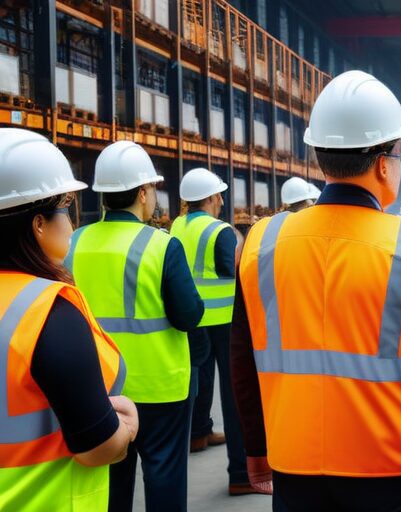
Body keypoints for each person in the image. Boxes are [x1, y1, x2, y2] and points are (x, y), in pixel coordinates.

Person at [230, 70, 401, 510]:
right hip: (397, 462)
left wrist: (256, 446)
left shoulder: (262, 241)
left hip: (296, 459)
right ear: (384, 164)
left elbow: (242, 356)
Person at [0, 128, 137, 510]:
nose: (72, 224)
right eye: (65, 207)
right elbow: (96, 448)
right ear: (38, 223)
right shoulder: (47, 311)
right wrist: (125, 428)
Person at [67, 141, 204, 511]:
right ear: (143, 193)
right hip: (161, 388)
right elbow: (189, 315)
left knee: (111, 483)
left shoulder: (74, 243)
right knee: (164, 478)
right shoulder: (162, 246)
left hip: (101, 386)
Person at [170, 168, 252, 495]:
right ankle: (242, 473)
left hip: (191, 318)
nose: (221, 201)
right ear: (210, 198)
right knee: (234, 394)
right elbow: (233, 269)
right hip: (223, 320)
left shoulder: (177, 226)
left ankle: (198, 433)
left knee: (200, 378)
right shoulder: (220, 231)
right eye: (219, 196)